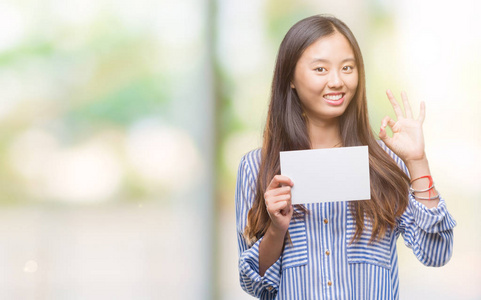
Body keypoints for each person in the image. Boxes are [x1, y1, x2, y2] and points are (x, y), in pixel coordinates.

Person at [235, 15, 456, 300]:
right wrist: (277, 230)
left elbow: (436, 253)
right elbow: (254, 285)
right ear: (290, 77)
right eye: (320, 69)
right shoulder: (257, 168)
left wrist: (417, 161)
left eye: (347, 68)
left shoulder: (385, 161)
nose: (337, 81)